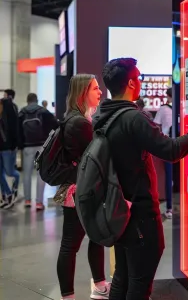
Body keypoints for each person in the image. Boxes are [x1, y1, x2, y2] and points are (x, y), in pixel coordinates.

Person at [94, 57, 188, 300]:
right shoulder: (133, 118)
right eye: (139, 77)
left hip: (117, 209)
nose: (141, 81)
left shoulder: (101, 116)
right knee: (138, 284)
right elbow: (172, 150)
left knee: (123, 277)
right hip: (140, 214)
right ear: (131, 83)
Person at [55, 74, 109, 300]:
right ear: (82, 93)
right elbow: (95, 158)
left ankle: (100, 284)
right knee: (71, 245)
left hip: (81, 189)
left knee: (93, 239)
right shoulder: (79, 123)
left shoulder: (77, 119)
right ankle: (69, 295)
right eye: (95, 88)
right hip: (80, 191)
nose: (100, 92)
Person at [18, 93, 58, 210]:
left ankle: (27, 200)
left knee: (27, 174)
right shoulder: (43, 111)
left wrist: (20, 144)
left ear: (27, 100)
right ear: (37, 100)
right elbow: (55, 125)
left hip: (27, 147)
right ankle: (39, 202)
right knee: (41, 174)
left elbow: (17, 130)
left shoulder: (22, 113)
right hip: (42, 146)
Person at [154, 87, 173, 218]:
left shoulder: (163, 109)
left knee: (169, 177)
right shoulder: (185, 107)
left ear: (168, 96)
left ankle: (170, 208)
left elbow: (156, 126)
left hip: (169, 147)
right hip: (185, 144)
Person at [0, 98, 19, 209]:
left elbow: (13, 132)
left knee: (9, 171)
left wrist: (14, 146)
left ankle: (16, 179)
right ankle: (7, 195)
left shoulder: (8, 118)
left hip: (7, 149)